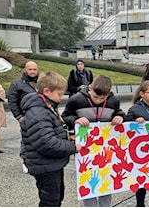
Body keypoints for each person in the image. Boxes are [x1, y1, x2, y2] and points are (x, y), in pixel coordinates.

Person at [19, 71, 81, 207]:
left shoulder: (46, 107)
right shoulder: (38, 112)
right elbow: (47, 143)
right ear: (47, 91)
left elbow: (51, 133)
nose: (62, 97)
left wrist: (67, 137)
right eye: (59, 94)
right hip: (44, 165)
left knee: (57, 195)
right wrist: (73, 147)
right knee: (50, 200)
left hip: (50, 163)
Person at [62, 75, 124, 207]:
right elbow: (65, 116)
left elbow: (118, 112)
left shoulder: (113, 101)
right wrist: (75, 120)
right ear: (90, 88)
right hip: (86, 148)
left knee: (106, 178)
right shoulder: (76, 99)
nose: (98, 101)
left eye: (102, 98)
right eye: (95, 97)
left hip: (106, 149)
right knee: (89, 180)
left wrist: (119, 116)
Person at [7, 61, 39, 173]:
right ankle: (25, 161)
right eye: (30, 69)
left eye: (34, 69)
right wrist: (19, 117)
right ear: (25, 70)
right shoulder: (17, 85)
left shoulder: (41, 83)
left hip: (41, 117)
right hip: (26, 117)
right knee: (27, 140)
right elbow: (12, 102)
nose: (32, 71)